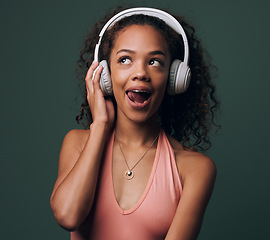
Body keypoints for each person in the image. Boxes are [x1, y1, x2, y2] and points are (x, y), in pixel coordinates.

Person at [50, 6, 219, 240]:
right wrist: (100, 124)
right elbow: (68, 217)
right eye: (125, 59)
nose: (140, 73)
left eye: (155, 62)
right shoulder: (77, 144)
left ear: (174, 78)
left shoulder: (195, 169)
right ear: (105, 74)